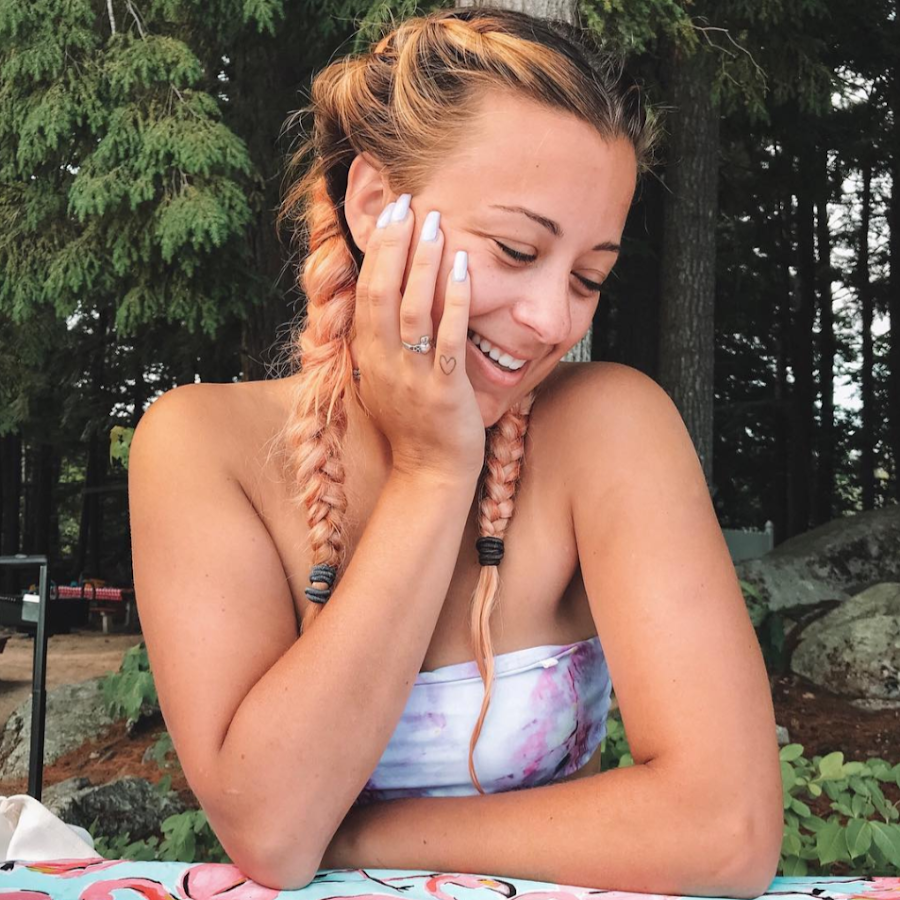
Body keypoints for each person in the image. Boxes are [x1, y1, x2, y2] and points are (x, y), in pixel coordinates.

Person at [128, 6, 783, 895]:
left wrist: (350, 838)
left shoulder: (610, 431)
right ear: (374, 205)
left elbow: (727, 831)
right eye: (516, 249)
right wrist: (432, 472)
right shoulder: (202, 447)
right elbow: (273, 829)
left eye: (588, 276)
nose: (552, 320)